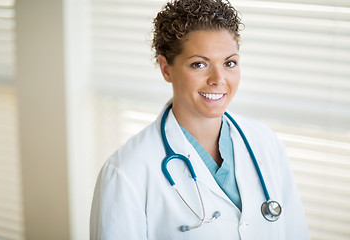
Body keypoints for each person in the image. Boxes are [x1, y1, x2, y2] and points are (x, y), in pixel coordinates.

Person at [90, 0, 310, 239]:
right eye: (199, 64)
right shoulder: (127, 171)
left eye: (229, 63)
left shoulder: (265, 142)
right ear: (166, 69)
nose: (218, 79)